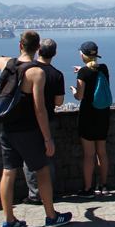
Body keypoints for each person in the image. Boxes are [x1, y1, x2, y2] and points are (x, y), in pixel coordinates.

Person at [0, 29, 72, 227]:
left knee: (8, 172)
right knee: (42, 171)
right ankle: (51, 216)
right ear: (38, 48)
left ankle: (9, 220)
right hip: (29, 130)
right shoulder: (36, 72)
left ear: (20, 46)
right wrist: (48, 139)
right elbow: (39, 109)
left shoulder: (8, 64)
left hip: (7, 129)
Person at [21, 38, 65, 205]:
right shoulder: (57, 74)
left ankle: (34, 194)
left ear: (39, 50)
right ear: (54, 54)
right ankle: (48, 192)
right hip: (49, 119)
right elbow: (59, 102)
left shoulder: (27, 69)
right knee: (48, 156)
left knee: (29, 158)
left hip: (28, 119)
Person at [71, 40, 111, 197]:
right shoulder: (104, 69)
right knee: (102, 152)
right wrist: (82, 70)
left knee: (89, 154)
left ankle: (88, 189)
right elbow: (95, 74)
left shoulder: (83, 73)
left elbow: (79, 96)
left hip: (88, 115)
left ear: (83, 55)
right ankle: (104, 186)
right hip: (103, 114)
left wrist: (74, 90)